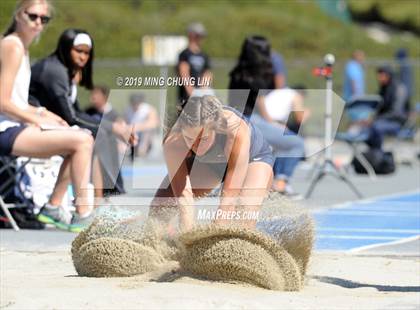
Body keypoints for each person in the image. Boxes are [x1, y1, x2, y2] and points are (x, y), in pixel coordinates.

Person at [0, 0, 94, 232]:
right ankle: (82, 213)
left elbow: (17, 101)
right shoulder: (13, 46)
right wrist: (35, 119)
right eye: (33, 16)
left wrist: (44, 113)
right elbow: (2, 101)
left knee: (78, 136)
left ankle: (53, 207)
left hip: (14, 125)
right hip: (5, 129)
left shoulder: (21, 47)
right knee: (82, 140)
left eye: (44, 19)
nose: (38, 23)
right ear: (19, 14)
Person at [29, 28, 137, 198]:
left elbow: (76, 112)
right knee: (95, 136)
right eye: (78, 51)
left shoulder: (64, 73)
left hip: (51, 125)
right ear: (65, 48)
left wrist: (112, 126)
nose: (83, 57)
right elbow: (71, 117)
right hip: (31, 129)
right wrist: (112, 127)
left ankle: (100, 202)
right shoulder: (54, 72)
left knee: (100, 133)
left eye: (87, 53)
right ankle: (89, 204)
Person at [150, 95, 274, 230]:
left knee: (243, 215)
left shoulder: (235, 132)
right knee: (160, 208)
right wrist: (186, 239)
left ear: (216, 129)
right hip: (210, 164)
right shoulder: (173, 142)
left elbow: (229, 199)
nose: (195, 145)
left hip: (253, 159)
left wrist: (213, 236)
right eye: (190, 138)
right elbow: (184, 198)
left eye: (203, 139)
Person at [229, 36, 305, 196]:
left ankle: (269, 182)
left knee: (274, 146)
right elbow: (261, 106)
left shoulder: (236, 72)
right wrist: (275, 124)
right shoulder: (255, 76)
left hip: (234, 118)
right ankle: (281, 182)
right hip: (250, 121)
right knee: (296, 143)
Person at [85, 85, 125, 196]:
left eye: (96, 95)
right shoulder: (88, 112)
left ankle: (109, 191)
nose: (93, 98)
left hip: (108, 148)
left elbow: (121, 129)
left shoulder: (113, 114)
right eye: (92, 95)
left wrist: (122, 143)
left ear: (105, 97)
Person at [366, 65, 409, 151]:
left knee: (376, 127)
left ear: (388, 75)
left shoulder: (399, 89)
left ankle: (378, 154)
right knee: (364, 129)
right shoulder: (383, 89)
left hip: (398, 122)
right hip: (385, 120)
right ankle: (371, 155)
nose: (379, 78)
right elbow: (378, 107)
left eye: (381, 75)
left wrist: (377, 119)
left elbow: (396, 113)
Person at [176, 22, 212, 104]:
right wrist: (192, 94)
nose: (200, 38)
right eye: (198, 36)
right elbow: (184, 74)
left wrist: (203, 92)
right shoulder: (185, 54)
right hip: (186, 97)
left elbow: (207, 73)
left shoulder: (204, 55)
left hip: (201, 96)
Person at [124, 93, 159, 160]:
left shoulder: (148, 109)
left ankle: (141, 151)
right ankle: (127, 150)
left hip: (145, 136)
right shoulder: (127, 110)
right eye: (134, 102)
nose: (135, 104)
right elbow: (124, 124)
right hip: (133, 135)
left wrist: (136, 127)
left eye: (137, 102)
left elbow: (154, 123)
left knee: (147, 131)